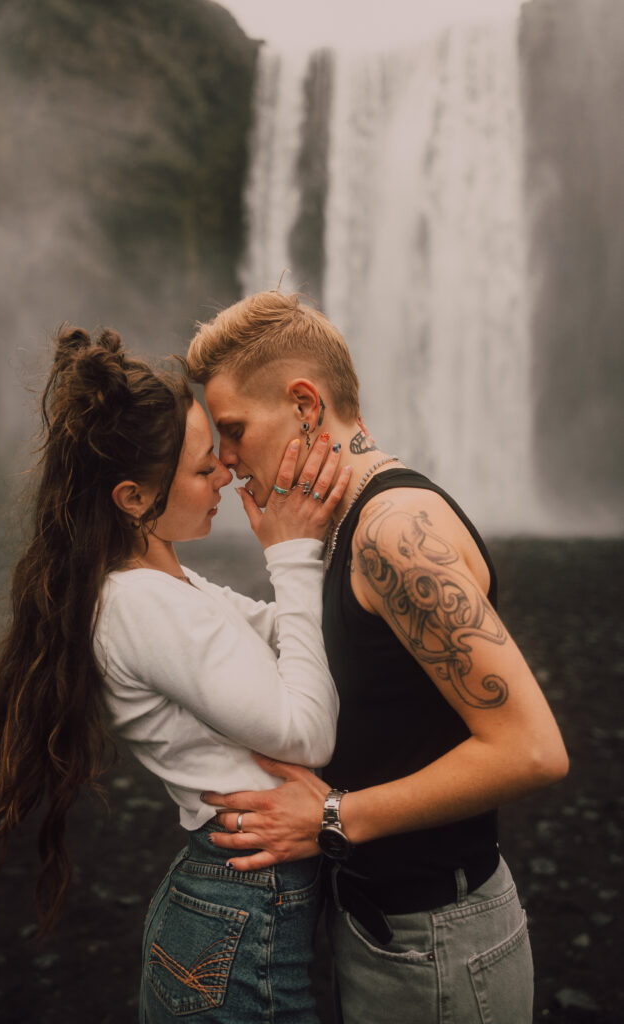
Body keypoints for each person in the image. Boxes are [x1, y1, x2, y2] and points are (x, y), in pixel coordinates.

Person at [184, 290, 569, 1024]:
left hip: (438, 944)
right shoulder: (344, 522)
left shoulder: (392, 531)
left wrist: (329, 816)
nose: (225, 462)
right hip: (396, 929)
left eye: (233, 430)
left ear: (304, 404)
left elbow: (531, 749)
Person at [0, 325, 353, 1024]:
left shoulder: (168, 587)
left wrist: (319, 539)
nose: (228, 475)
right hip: (234, 919)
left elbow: (286, 635)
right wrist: (291, 557)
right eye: (205, 468)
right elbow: (305, 733)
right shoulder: (141, 604)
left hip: (232, 911)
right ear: (133, 497)